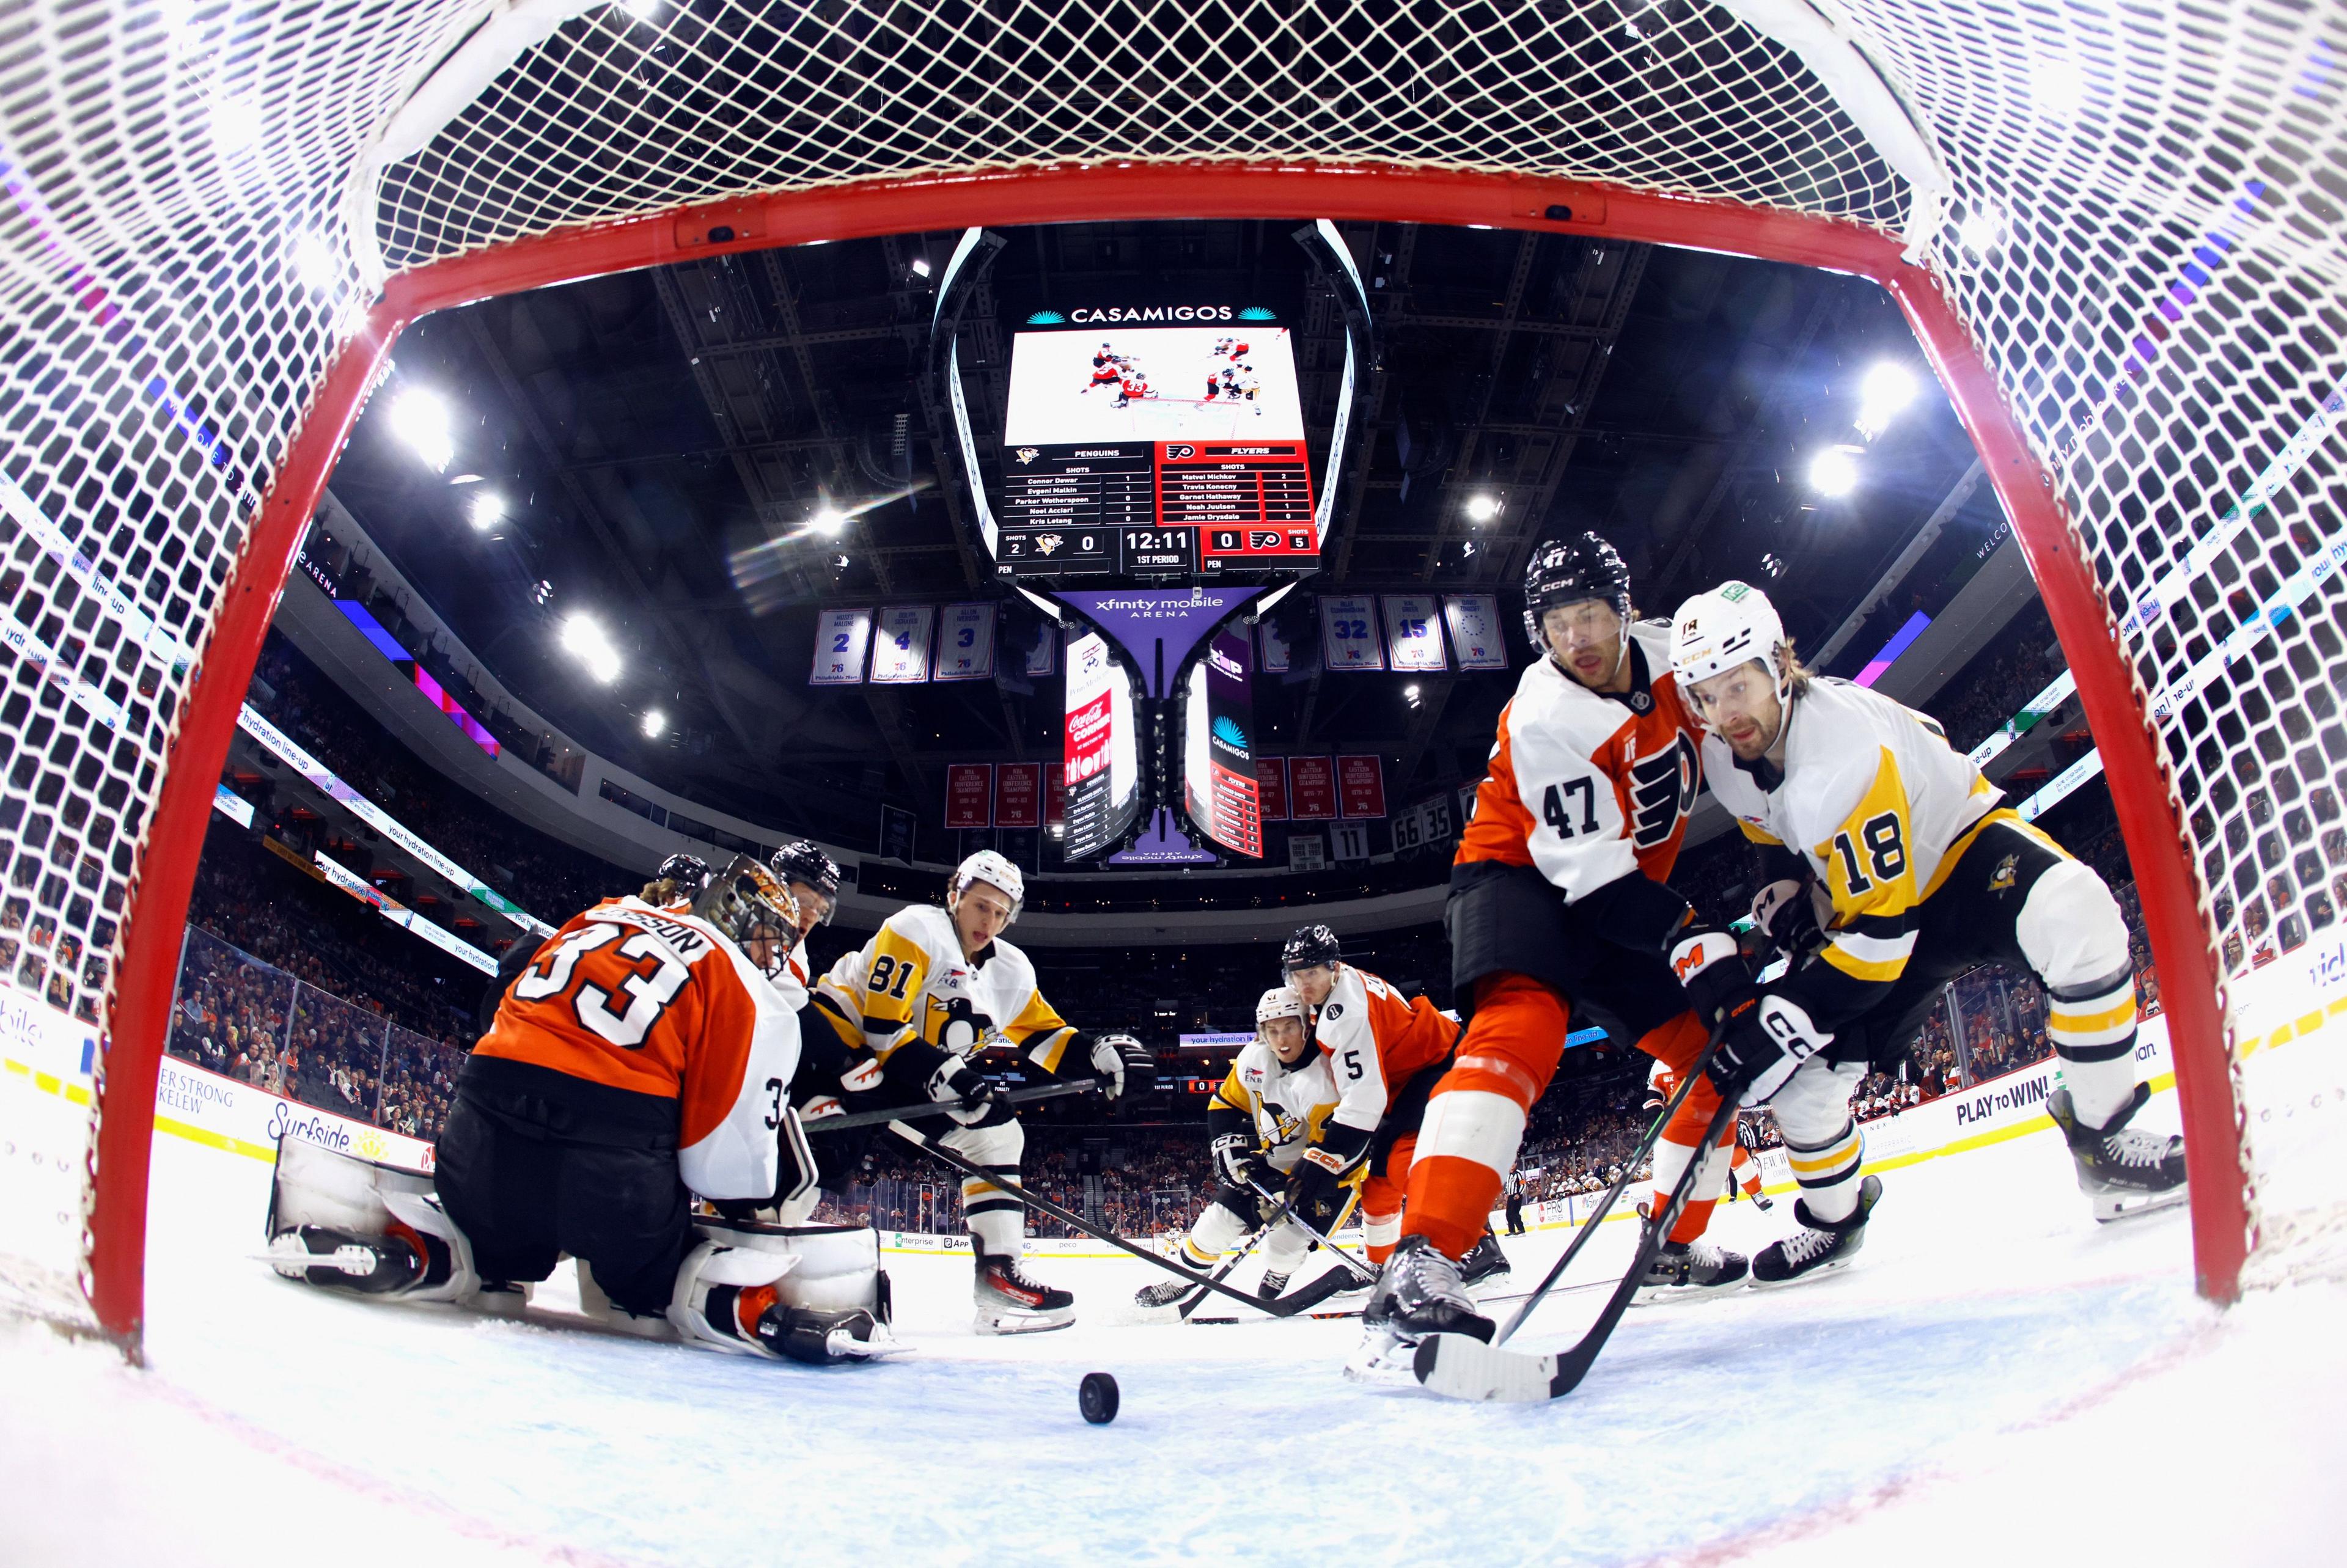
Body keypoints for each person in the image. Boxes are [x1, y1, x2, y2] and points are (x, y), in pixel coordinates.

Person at [1667, 580, 2184, 1284]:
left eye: (1738, 686)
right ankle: (1836, 1222)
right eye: (1706, 696)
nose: (1725, 713)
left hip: (1959, 857)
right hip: (1876, 898)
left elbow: (1881, 943)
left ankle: (2105, 1138)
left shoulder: (1840, 753)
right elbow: (1771, 828)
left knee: (2076, 911)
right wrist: (1784, 888)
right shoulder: (1726, 753)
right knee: (1802, 1088)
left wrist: (1778, 1022)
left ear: (1780, 667)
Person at [1353, 534, 1750, 1379]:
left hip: (1620, 888)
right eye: (1560, 622)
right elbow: (1596, 882)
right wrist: (1687, 932)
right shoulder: (1543, 715)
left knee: (1718, 1055)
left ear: (1626, 610)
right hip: (1520, 877)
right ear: (1540, 633)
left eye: (1593, 614)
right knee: (1521, 1027)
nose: (1580, 638)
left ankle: (1674, 1243)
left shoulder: (1683, 650)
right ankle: (1422, 1258)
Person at [385, 855, 885, 1360]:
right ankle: (734, 1305)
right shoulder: (731, 971)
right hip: (609, 1175)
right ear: (734, 914)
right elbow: (720, 1165)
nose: (773, 953)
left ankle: (440, 1252)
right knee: (646, 1284)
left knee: (495, 1249)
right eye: (767, 937)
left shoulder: (597, 915)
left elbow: (502, 1007)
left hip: (477, 1141)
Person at [810, 850, 1156, 1333]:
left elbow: (1046, 1038)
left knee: (996, 1136)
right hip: (835, 1057)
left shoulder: (1010, 970)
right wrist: (959, 1079)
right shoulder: (917, 928)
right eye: (980, 906)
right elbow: (884, 1029)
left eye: (1000, 912)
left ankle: (999, 1282)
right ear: (955, 896)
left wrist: (1100, 1053)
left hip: (900, 1076)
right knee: (805, 1167)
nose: (988, 920)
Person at [1278, 924, 1507, 1285]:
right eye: (1296, 975)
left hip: (1437, 1065)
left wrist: (1325, 1157)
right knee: (1380, 1182)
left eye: (1312, 973)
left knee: (1406, 1159)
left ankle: (1477, 1246)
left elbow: (1366, 1099)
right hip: (1410, 1078)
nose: (1304, 985)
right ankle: (1383, 1264)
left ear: (1333, 968)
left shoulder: (1346, 1011)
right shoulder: (1335, 990)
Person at [1134, 986, 1338, 1309]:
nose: (1281, 1039)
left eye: (1289, 1027)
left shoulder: (1324, 1079)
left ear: (1307, 1024)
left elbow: (1332, 1151)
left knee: (1282, 1250)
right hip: (1272, 1163)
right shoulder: (1253, 1058)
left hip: (1326, 1174)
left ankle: (1280, 1270)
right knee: (1216, 1222)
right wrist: (1226, 1145)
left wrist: (1294, 1187)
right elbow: (1225, 1104)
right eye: (1272, 1030)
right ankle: (1181, 1280)